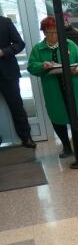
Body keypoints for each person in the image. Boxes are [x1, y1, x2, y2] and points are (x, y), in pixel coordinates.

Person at [27, 17, 78, 158]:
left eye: (55, 32)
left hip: (75, 89)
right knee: (58, 118)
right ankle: (66, 146)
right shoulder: (38, 49)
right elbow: (31, 67)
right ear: (44, 32)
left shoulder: (69, 44)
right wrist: (42, 66)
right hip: (54, 91)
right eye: (49, 32)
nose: (52, 35)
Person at [0, 14, 35, 148]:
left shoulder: (5, 22)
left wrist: (3, 52)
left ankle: (26, 137)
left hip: (8, 73)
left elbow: (19, 44)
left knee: (17, 106)